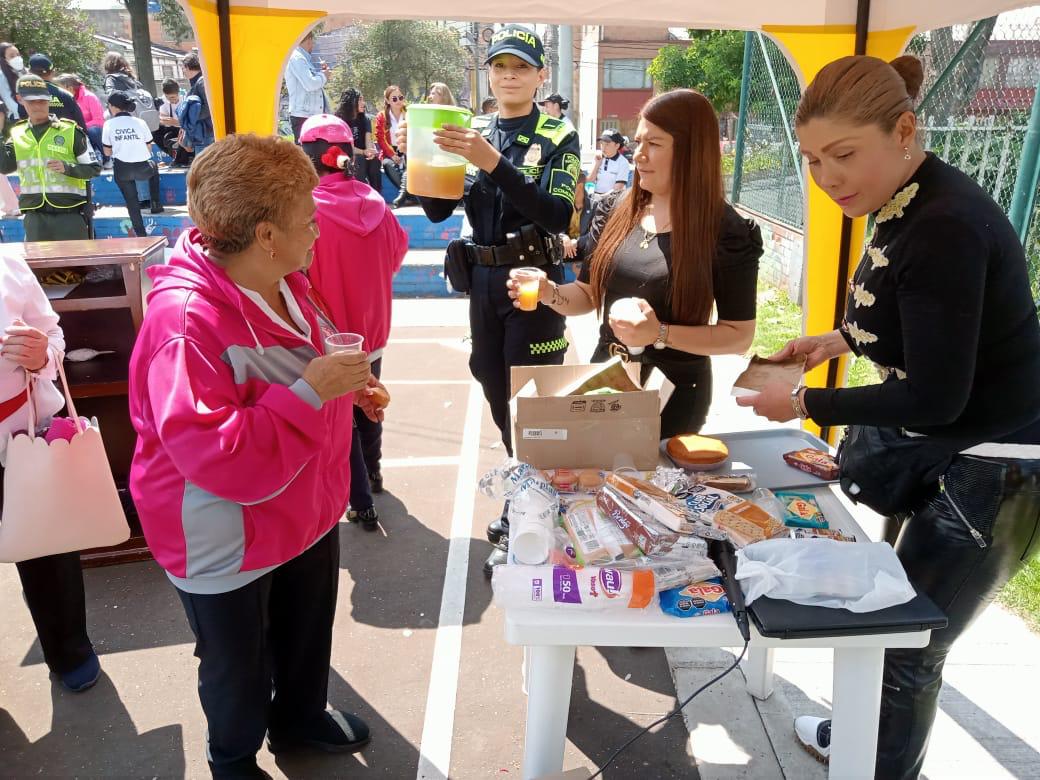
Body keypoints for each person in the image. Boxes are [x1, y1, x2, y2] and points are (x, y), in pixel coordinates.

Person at [732, 55, 1040, 779]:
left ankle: (881, 769)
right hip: (946, 451)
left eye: (843, 156)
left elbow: (939, 395)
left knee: (908, 647)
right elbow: (919, 314)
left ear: (904, 130)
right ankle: (861, 740)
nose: (827, 178)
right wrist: (834, 342)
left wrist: (803, 401)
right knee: (888, 618)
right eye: (811, 160)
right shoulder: (904, 196)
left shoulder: (945, 223)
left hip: (993, 467)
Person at [129, 133, 386, 779]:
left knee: (304, 636)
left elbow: (310, 362)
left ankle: (299, 717)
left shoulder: (287, 282)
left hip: (304, 505)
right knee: (236, 666)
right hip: (226, 531)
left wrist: (350, 388)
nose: (317, 232)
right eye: (308, 220)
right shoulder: (184, 325)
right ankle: (233, 757)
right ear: (266, 234)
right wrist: (310, 393)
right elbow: (219, 457)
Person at [398, 25, 581, 574]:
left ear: (540, 75)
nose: (508, 76)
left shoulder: (558, 134)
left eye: (521, 67)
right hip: (480, 281)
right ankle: (529, 491)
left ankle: (535, 506)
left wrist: (490, 160)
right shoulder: (467, 129)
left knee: (533, 401)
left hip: (532, 281)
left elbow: (556, 213)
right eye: (500, 66)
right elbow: (436, 210)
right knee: (495, 388)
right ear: (488, 73)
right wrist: (416, 159)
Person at [511, 88, 761, 437]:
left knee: (655, 490)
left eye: (654, 144)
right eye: (638, 142)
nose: (639, 155)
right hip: (604, 381)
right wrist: (550, 293)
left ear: (691, 151)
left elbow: (738, 336)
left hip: (673, 397)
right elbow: (587, 294)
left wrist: (659, 333)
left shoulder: (727, 231)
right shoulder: (615, 208)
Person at [0, 250, 102, 693]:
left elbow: (53, 338)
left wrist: (42, 355)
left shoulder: (7, 265)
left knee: (47, 551)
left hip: (21, 431)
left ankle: (69, 650)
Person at [300, 114, 408, 519]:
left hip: (327, 333)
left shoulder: (306, 213)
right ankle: (375, 472)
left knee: (339, 416)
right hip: (374, 327)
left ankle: (360, 502)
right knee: (370, 399)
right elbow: (396, 255)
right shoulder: (377, 204)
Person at [0, 74, 100, 241]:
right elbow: (4, 166)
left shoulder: (69, 131)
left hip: (69, 215)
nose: (38, 106)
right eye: (32, 101)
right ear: (19, 99)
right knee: (39, 267)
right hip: (35, 217)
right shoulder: (17, 133)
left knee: (75, 266)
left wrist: (68, 168)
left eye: (42, 100)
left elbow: (94, 169)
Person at [103, 91, 163, 237]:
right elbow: (149, 147)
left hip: (122, 170)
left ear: (112, 107)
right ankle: (155, 203)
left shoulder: (108, 124)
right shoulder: (140, 122)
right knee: (153, 167)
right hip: (143, 168)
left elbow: (107, 152)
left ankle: (141, 235)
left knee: (132, 202)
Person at [20, 54, 86, 130]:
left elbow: (22, 123)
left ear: (29, 73)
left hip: (34, 140)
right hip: (65, 139)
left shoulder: (24, 96)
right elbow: (81, 127)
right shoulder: (66, 95)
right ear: (52, 72)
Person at [374, 85, 415, 208]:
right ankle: (410, 197)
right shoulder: (382, 116)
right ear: (387, 101)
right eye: (394, 99)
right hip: (390, 151)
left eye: (400, 97)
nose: (398, 101)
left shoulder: (409, 114)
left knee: (411, 166)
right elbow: (380, 138)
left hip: (409, 149)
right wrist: (392, 154)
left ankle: (404, 196)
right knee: (387, 164)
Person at [285, 31, 329, 142]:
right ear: (309, 40)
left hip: (309, 116)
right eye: (312, 42)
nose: (313, 45)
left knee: (313, 154)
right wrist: (324, 75)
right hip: (303, 117)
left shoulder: (303, 59)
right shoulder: (297, 58)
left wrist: (322, 75)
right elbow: (310, 84)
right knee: (307, 154)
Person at [334, 89, 380, 191]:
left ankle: (377, 194)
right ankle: (361, 193)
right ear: (351, 101)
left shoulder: (365, 119)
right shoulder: (339, 120)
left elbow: (368, 139)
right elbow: (345, 146)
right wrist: (363, 152)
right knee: (358, 159)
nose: (363, 103)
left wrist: (370, 151)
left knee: (375, 161)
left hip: (362, 154)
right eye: (360, 100)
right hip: (346, 155)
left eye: (363, 100)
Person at [55, 73, 104, 161]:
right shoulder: (62, 99)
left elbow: (99, 121)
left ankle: (105, 157)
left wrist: (80, 126)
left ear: (69, 88)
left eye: (60, 88)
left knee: (93, 131)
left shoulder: (90, 97)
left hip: (88, 131)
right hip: (72, 129)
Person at [178, 52, 214, 158]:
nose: (182, 71)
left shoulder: (201, 82)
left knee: (205, 169)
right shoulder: (198, 81)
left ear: (187, 67)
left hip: (206, 135)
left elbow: (209, 107)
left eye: (182, 68)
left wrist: (190, 118)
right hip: (202, 135)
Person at [155, 79, 191, 166]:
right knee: (155, 131)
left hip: (185, 127)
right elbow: (162, 117)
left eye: (173, 97)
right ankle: (175, 156)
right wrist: (165, 120)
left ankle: (183, 159)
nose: (170, 100)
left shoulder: (186, 98)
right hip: (172, 126)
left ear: (179, 93)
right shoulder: (163, 101)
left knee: (184, 133)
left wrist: (177, 123)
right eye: (167, 97)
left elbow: (190, 120)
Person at [588, 129, 631, 194]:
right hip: (595, 198)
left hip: (612, 200)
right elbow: (589, 181)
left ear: (617, 145)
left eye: (607, 144)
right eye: (602, 144)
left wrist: (601, 198)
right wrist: (597, 165)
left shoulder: (623, 162)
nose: (603, 148)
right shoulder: (598, 158)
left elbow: (617, 189)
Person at [0, 42, 22, 117]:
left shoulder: (25, 72)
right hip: (18, 117)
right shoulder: (1, 77)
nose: (17, 58)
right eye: (12, 56)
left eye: (18, 54)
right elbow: (8, 100)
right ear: (4, 60)